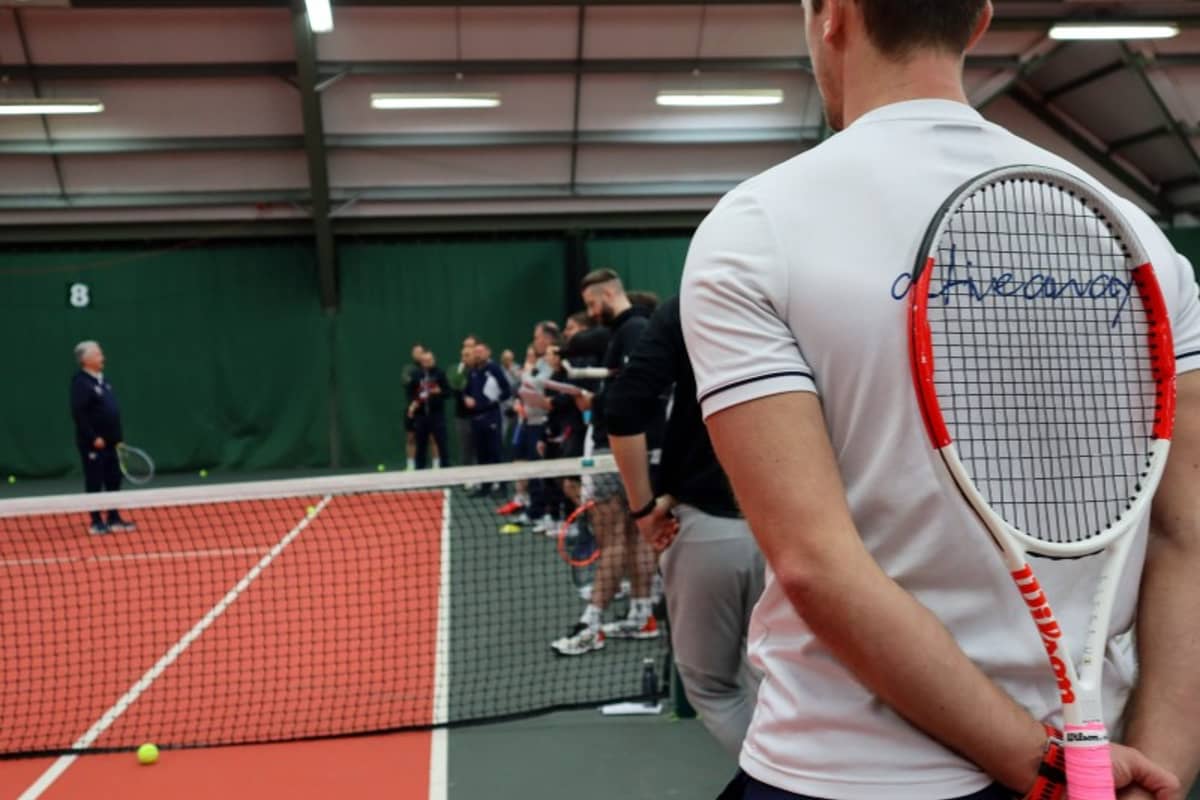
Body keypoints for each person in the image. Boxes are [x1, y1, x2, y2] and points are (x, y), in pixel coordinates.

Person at [680, 1, 1200, 799]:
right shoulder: (1142, 240)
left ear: (832, 15)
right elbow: (1187, 537)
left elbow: (818, 566)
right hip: (1103, 772)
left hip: (842, 776)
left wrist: (1047, 774)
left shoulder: (754, 229)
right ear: (980, 20)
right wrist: (1155, 769)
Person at [607, 295, 764, 757]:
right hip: (801, 528)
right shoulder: (817, 294)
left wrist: (642, 512)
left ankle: (779, 784)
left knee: (711, 688)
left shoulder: (694, 301)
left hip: (708, 528)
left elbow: (623, 409)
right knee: (780, 680)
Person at [551, 269, 660, 656]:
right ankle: (642, 614)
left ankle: (592, 624)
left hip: (617, 449)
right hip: (626, 447)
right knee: (632, 535)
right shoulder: (627, 330)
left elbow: (637, 394)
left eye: (593, 303)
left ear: (610, 292)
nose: (591, 311)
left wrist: (594, 403)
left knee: (614, 535)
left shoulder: (633, 330)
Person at [69, 341, 135, 535]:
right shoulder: (81, 383)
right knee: (95, 480)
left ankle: (114, 518)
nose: (103, 358)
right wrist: (93, 437)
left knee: (114, 479)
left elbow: (111, 412)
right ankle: (96, 522)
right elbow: (79, 414)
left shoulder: (102, 381)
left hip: (112, 443)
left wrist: (118, 438)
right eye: (98, 355)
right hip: (93, 444)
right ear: (86, 359)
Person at [464, 340, 512, 496]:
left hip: (492, 417)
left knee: (496, 452)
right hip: (476, 419)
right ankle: (485, 486)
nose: (478, 354)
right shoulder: (472, 371)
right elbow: (467, 391)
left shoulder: (494, 369)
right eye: (476, 352)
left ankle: (503, 487)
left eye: (481, 351)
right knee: (481, 454)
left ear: (488, 353)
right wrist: (467, 398)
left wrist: (495, 400)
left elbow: (507, 390)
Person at [407, 349, 450, 470]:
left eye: (430, 360)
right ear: (421, 362)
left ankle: (446, 470)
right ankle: (419, 471)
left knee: (442, 444)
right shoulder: (416, 375)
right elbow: (411, 394)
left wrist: (439, 391)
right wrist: (413, 404)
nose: (428, 363)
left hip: (437, 416)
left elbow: (448, 392)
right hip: (421, 417)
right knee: (420, 446)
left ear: (434, 360)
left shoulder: (440, 374)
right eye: (425, 361)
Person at [449, 335, 478, 470]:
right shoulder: (458, 369)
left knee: (482, 449)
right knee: (466, 450)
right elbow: (454, 390)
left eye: (470, 346)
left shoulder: (483, 367)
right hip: (462, 417)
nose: (467, 349)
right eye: (465, 346)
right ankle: (468, 482)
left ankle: (486, 482)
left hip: (481, 416)